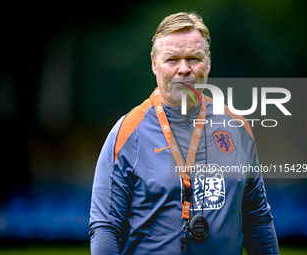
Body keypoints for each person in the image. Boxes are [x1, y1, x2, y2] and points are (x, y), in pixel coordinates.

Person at [89, 12, 279, 255]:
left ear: (208, 61)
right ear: (154, 63)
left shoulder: (237, 127)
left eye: (193, 58)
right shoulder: (128, 132)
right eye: (172, 60)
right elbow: (105, 227)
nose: (184, 69)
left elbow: (258, 221)